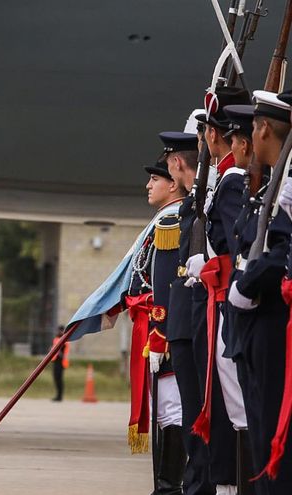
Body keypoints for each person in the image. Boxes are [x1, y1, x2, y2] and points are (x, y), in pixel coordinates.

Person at [187, 87, 251, 495]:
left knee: (236, 407)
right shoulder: (226, 180)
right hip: (223, 301)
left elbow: (237, 250)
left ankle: (234, 485)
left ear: (215, 135)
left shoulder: (231, 182)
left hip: (230, 305)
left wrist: (210, 266)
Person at [231, 90, 292, 492]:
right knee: (261, 428)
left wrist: (246, 284)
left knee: (273, 436)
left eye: (252, 128)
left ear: (264, 128)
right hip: (259, 319)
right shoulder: (276, 180)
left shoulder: (288, 183)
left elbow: (285, 250)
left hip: (272, 318)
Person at [163, 129, 215, 495]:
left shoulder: (203, 201)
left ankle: (201, 485)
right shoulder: (194, 201)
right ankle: (195, 483)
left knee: (198, 412)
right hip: (186, 318)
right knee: (192, 413)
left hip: (196, 317)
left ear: (177, 163)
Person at [131, 159, 186, 493]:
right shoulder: (159, 222)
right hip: (149, 323)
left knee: (171, 409)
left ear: (173, 184)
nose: (149, 186)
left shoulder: (172, 221)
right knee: (165, 409)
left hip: (162, 326)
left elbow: (167, 284)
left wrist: (159, 334)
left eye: (155, 179)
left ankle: (169, 486)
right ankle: (165, 485)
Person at [51, 325, 69, 402]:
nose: (58, 332)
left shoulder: (65, 340)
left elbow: (63, 352)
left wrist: (59, 353)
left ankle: (60, 396)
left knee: (59, 380)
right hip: (55, 361)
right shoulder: (56, 339)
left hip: (61, 363)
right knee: (56, 379)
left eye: (60, 330)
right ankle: (58, 395)